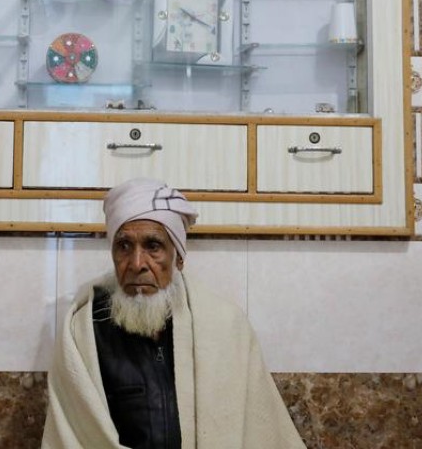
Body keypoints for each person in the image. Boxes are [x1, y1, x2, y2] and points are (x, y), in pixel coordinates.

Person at [41, 178, 307, 449]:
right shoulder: (83, 334)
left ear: (178, 257)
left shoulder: (225, 328)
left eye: (152, 246)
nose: (137, 263)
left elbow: (260, 431)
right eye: (124, 246)